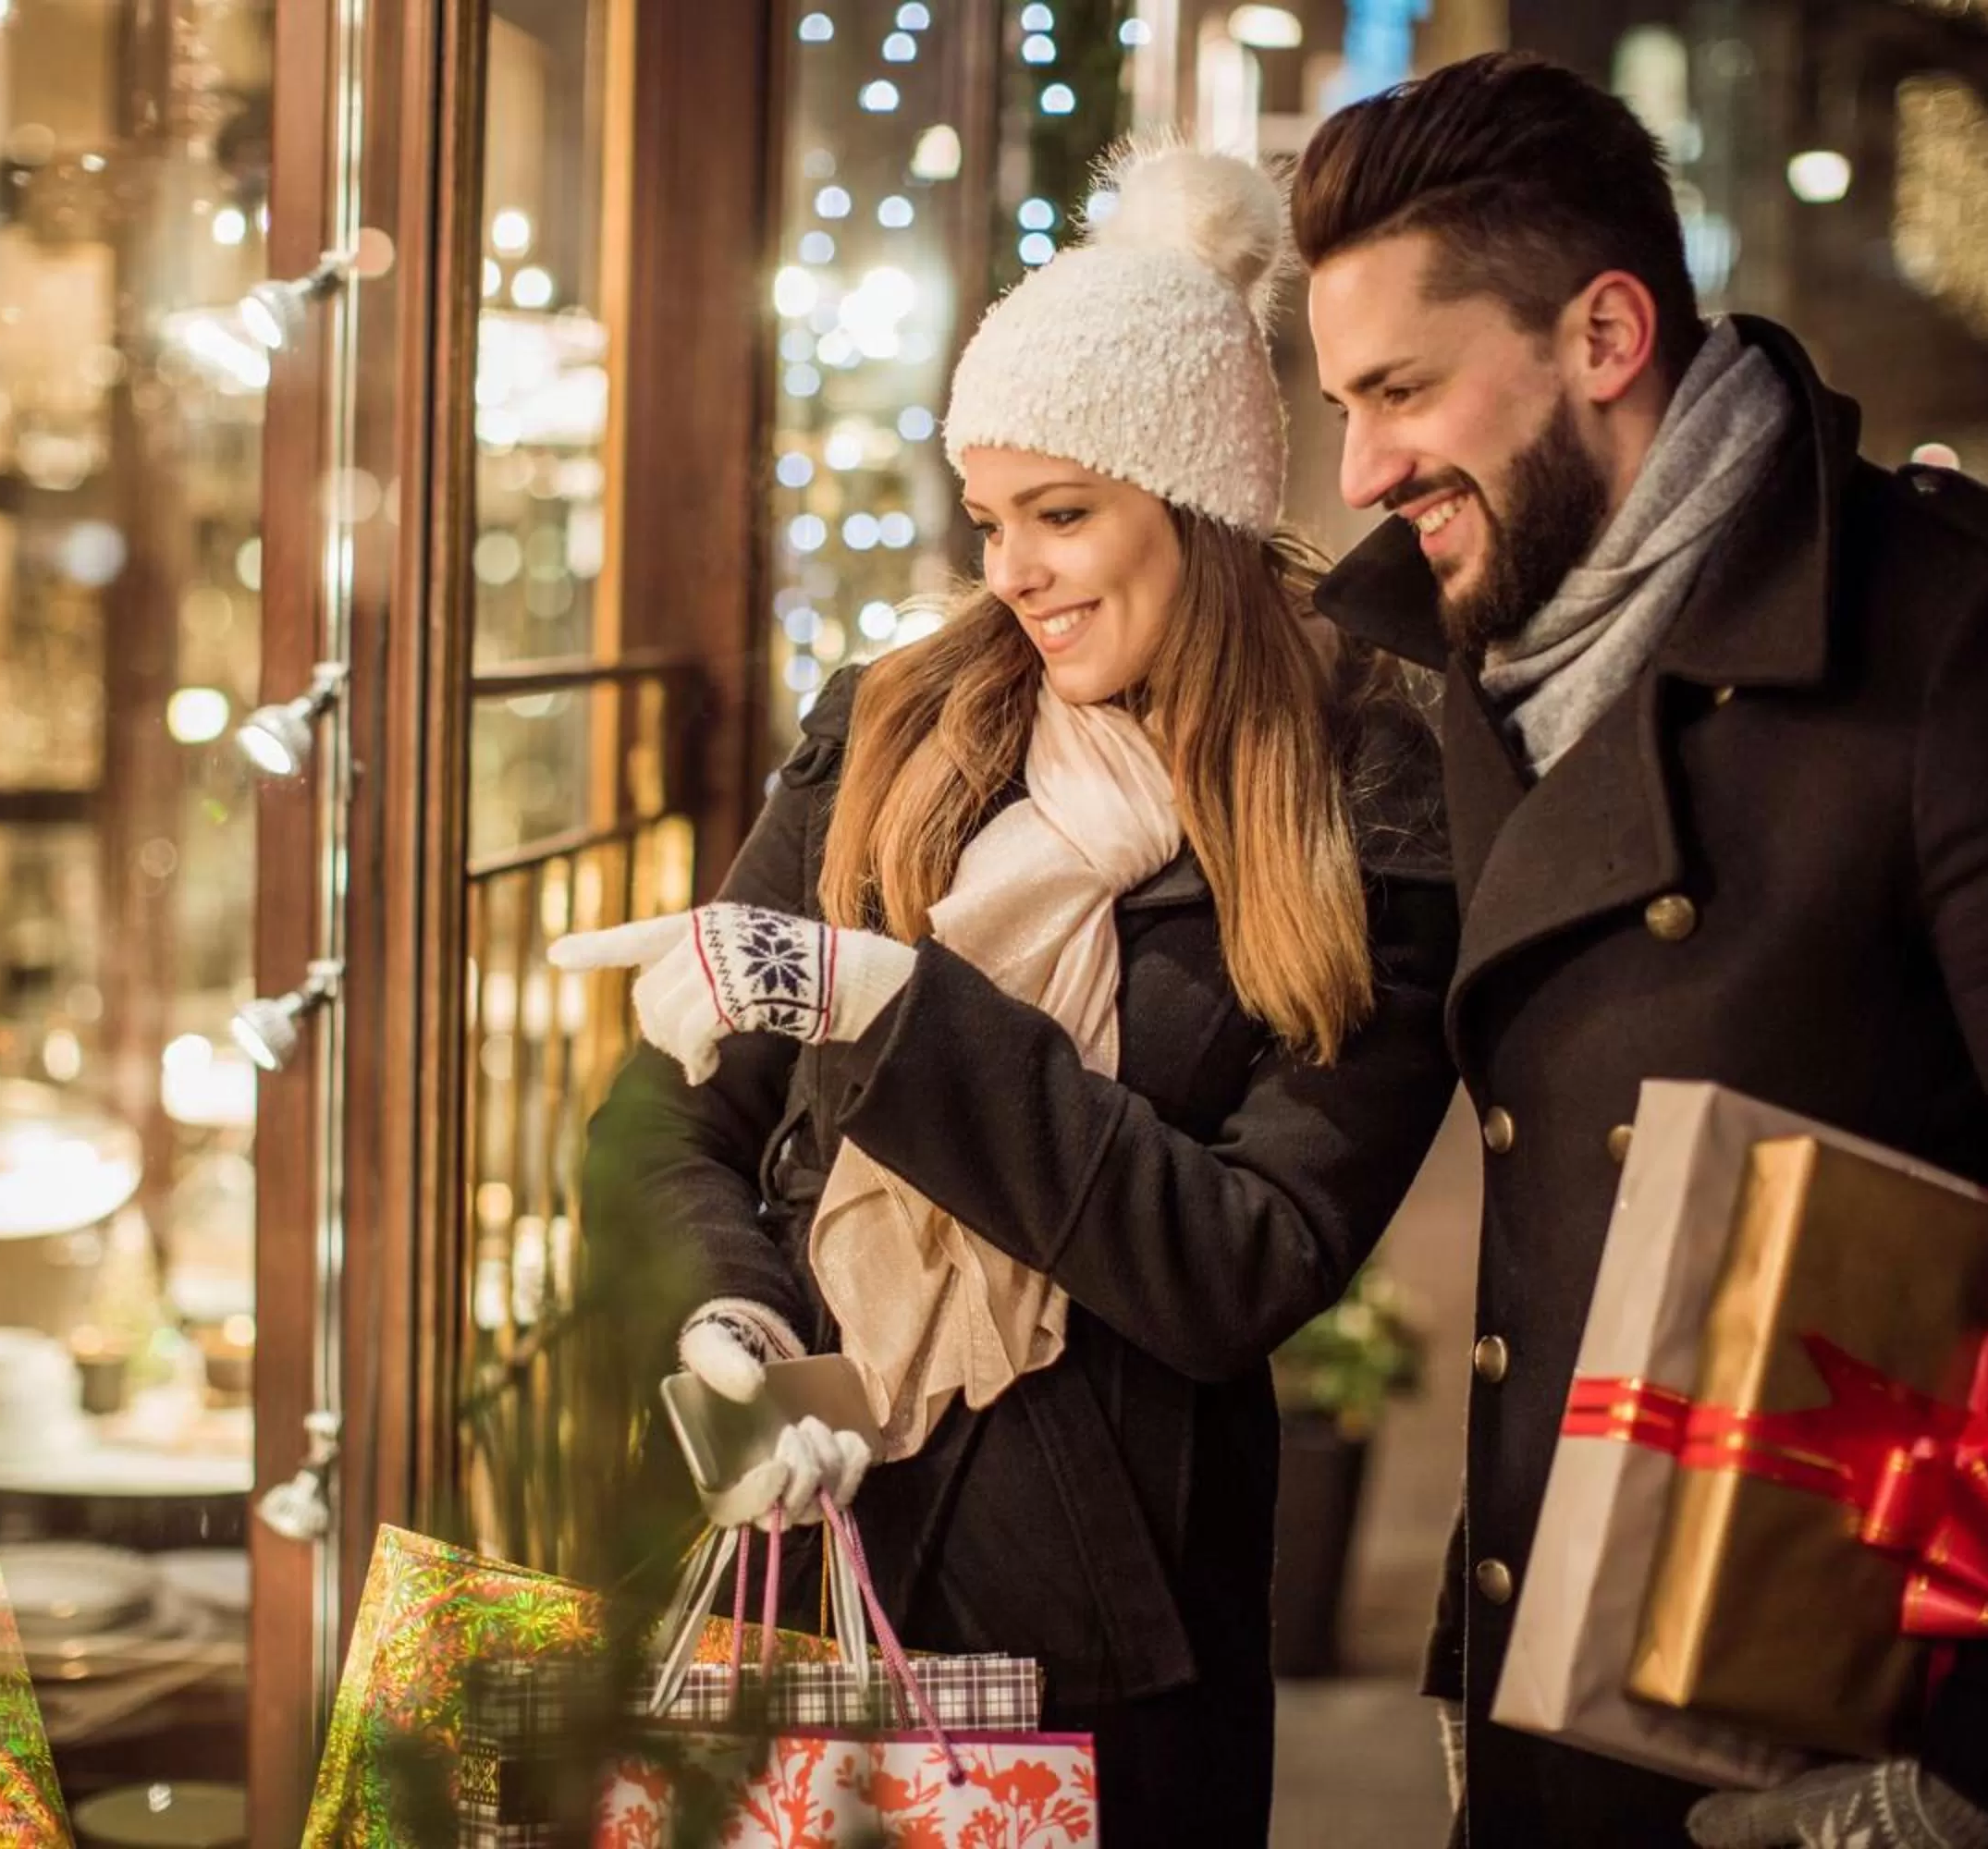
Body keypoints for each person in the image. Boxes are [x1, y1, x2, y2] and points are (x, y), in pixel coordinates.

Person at [1290, 51, 1988, 1849]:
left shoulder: (1982, 644)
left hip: (1853, 1745)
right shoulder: (1496, 662)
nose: (1362, 466)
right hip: (1566, 1704)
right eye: (1343, 401)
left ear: (1603, 337)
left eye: (1403, 390)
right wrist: (1479, 1648)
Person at [548, 145, 1457, 1847]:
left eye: (1064, 515)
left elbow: (1241, 1264)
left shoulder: (1364, 796)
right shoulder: (897, 722)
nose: (1016, 573)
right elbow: (669, 1118)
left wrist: (903, 1016)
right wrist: (736, 1328)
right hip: (793, 1551)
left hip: (1101, 1631)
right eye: (989, 519)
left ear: (1189, 503)